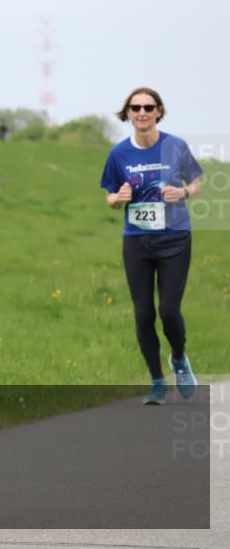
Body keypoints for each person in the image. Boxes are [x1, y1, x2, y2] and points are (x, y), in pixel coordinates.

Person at [100, 87, 202, 405]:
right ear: (127, 113)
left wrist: (183, 193)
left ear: (159, 111)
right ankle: (157, 381)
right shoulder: (119, 154)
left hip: (175, 239)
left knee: (169, 311)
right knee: (143, 314)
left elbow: (197, 181)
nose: (142, 113)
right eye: (135, 108)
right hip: (137, 241)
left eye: (148, 107)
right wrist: (119, 198)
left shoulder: (175, 146)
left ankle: (179, 360)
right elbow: (110, 197)